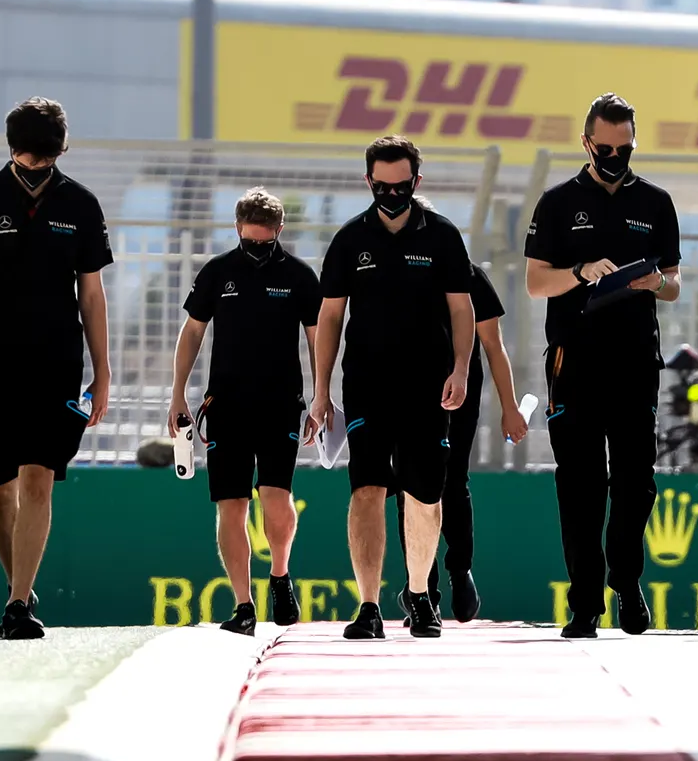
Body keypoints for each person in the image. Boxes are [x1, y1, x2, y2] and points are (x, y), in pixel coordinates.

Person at [0, 96, 113, 641]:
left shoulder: (80, 205)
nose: (35, 165)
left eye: (45, 156)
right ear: (11, 148)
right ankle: (20, 578)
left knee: (39, 478)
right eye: (27, 156)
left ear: (61, 150)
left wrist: (102, 372)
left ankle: (17, 605)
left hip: (58, 362)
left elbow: (92, 293)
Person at [523, 95, 683, 637]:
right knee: (580, 485)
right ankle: (586, 603)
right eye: (606, 147)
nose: (615, 155)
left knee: (637, 482)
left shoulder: (657, 203)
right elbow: (534, 282)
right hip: (574, 361)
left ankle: (627, 579)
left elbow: (675, 284)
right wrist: (582, 270)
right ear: (587, 142)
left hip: (636, 359)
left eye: (625, 147)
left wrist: (654, 282)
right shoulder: (557, 202)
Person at [307, 138, 475, 641]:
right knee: (367, 490)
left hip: (428, 385)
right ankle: (369, 605)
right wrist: (320, 390)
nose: (392, 195)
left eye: (401, 187)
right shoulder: (349, 240)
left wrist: (462, 367)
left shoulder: (443, 236)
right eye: (383, 187)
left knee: (425, 491)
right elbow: (330, 315)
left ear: (416, 183)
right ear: (369, 183)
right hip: (367, 384)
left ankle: (420, 595)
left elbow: (462, 309)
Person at [167, 188, 317, 635]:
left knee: (276, 499)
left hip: (280, 404)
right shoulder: (218, 272)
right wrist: (178, 395)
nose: (258, 249)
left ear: (279, 231)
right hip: (227, 405)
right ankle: (243, 604)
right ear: (237, 230)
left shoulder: (299, 276)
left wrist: (322, 395)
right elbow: (192, 332)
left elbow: (317, 339)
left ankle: (279, 575)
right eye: (251, 241)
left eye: (266, 241)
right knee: (230, 506)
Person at [430, 258, 527, 621]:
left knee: (453, 478)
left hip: (460, 392)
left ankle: (459, 570)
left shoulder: (470, 275)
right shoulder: (394, 267)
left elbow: (493, 345)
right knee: (412, 486)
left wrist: (510, 407)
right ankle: (422, 586)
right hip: (405, 392)